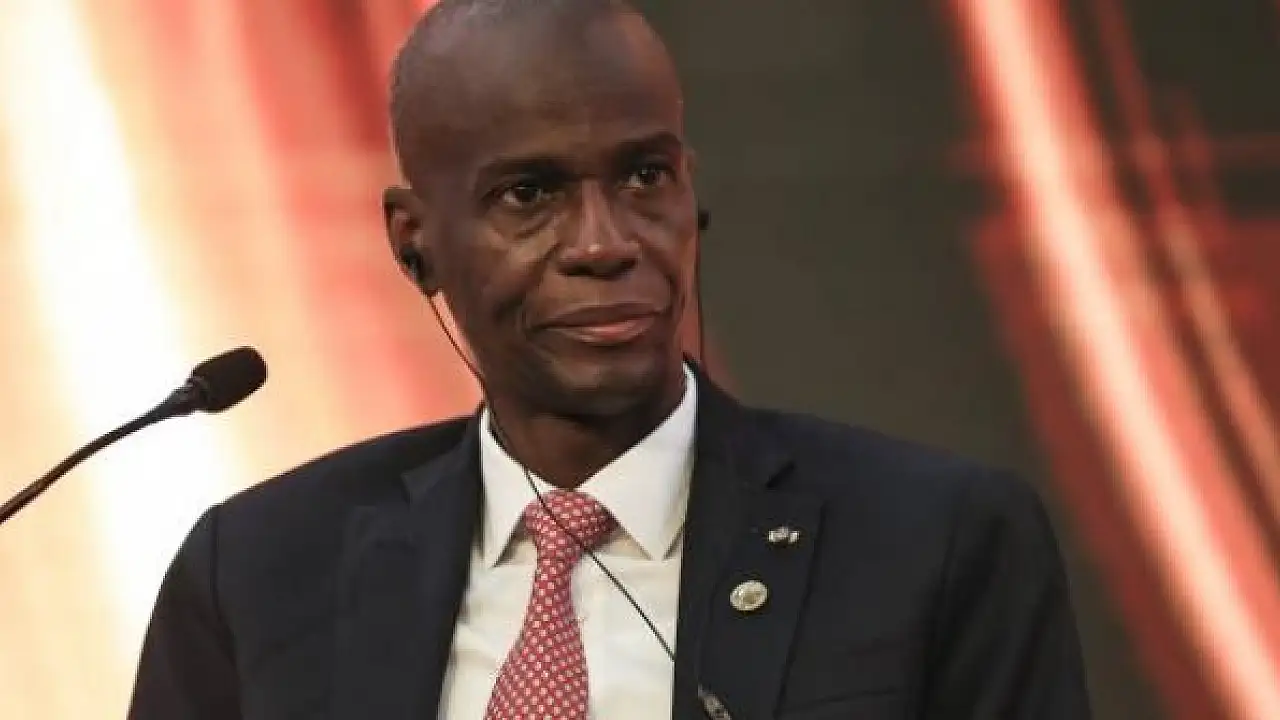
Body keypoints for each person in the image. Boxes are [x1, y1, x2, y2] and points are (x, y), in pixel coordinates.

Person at [127, 0, 1091, 718]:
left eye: (643, 176)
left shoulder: (937, 544)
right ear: (414, 242)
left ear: (691, 198)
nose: (605, 242)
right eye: (528, 194)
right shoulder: (257, 574)